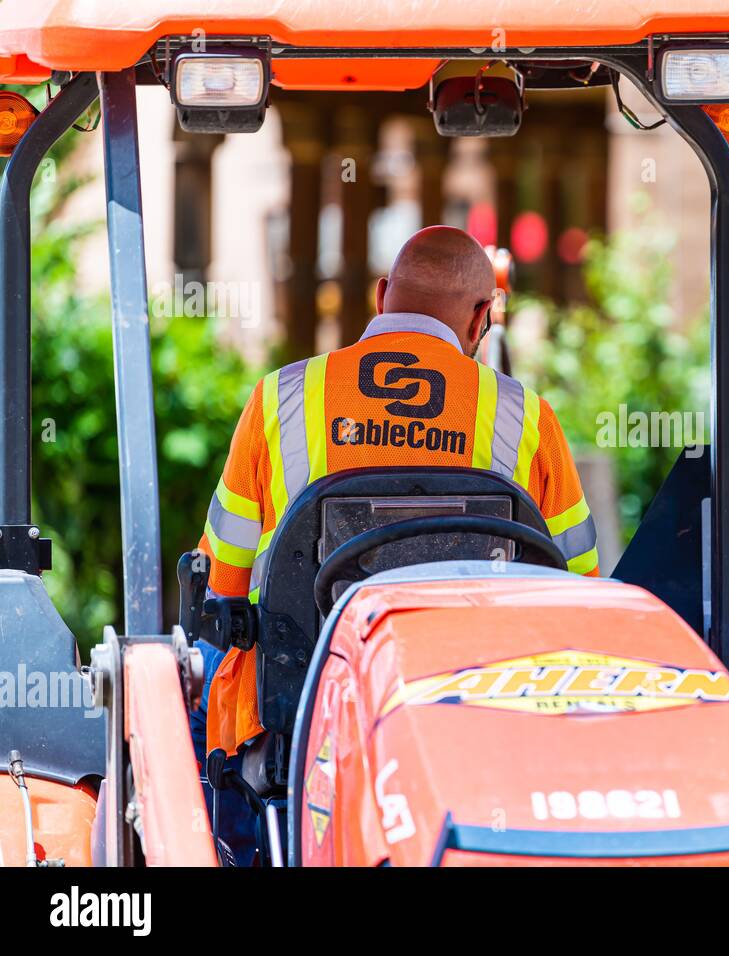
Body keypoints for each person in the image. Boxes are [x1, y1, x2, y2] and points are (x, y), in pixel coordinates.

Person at [189, 227, 598, 854]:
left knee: (204, 663)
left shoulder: (280, 399)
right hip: (474, 721)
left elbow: (222, 586)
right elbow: (578, 593)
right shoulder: (527, 418)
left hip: (298, 724)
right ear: (483, 316)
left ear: (383, 296)